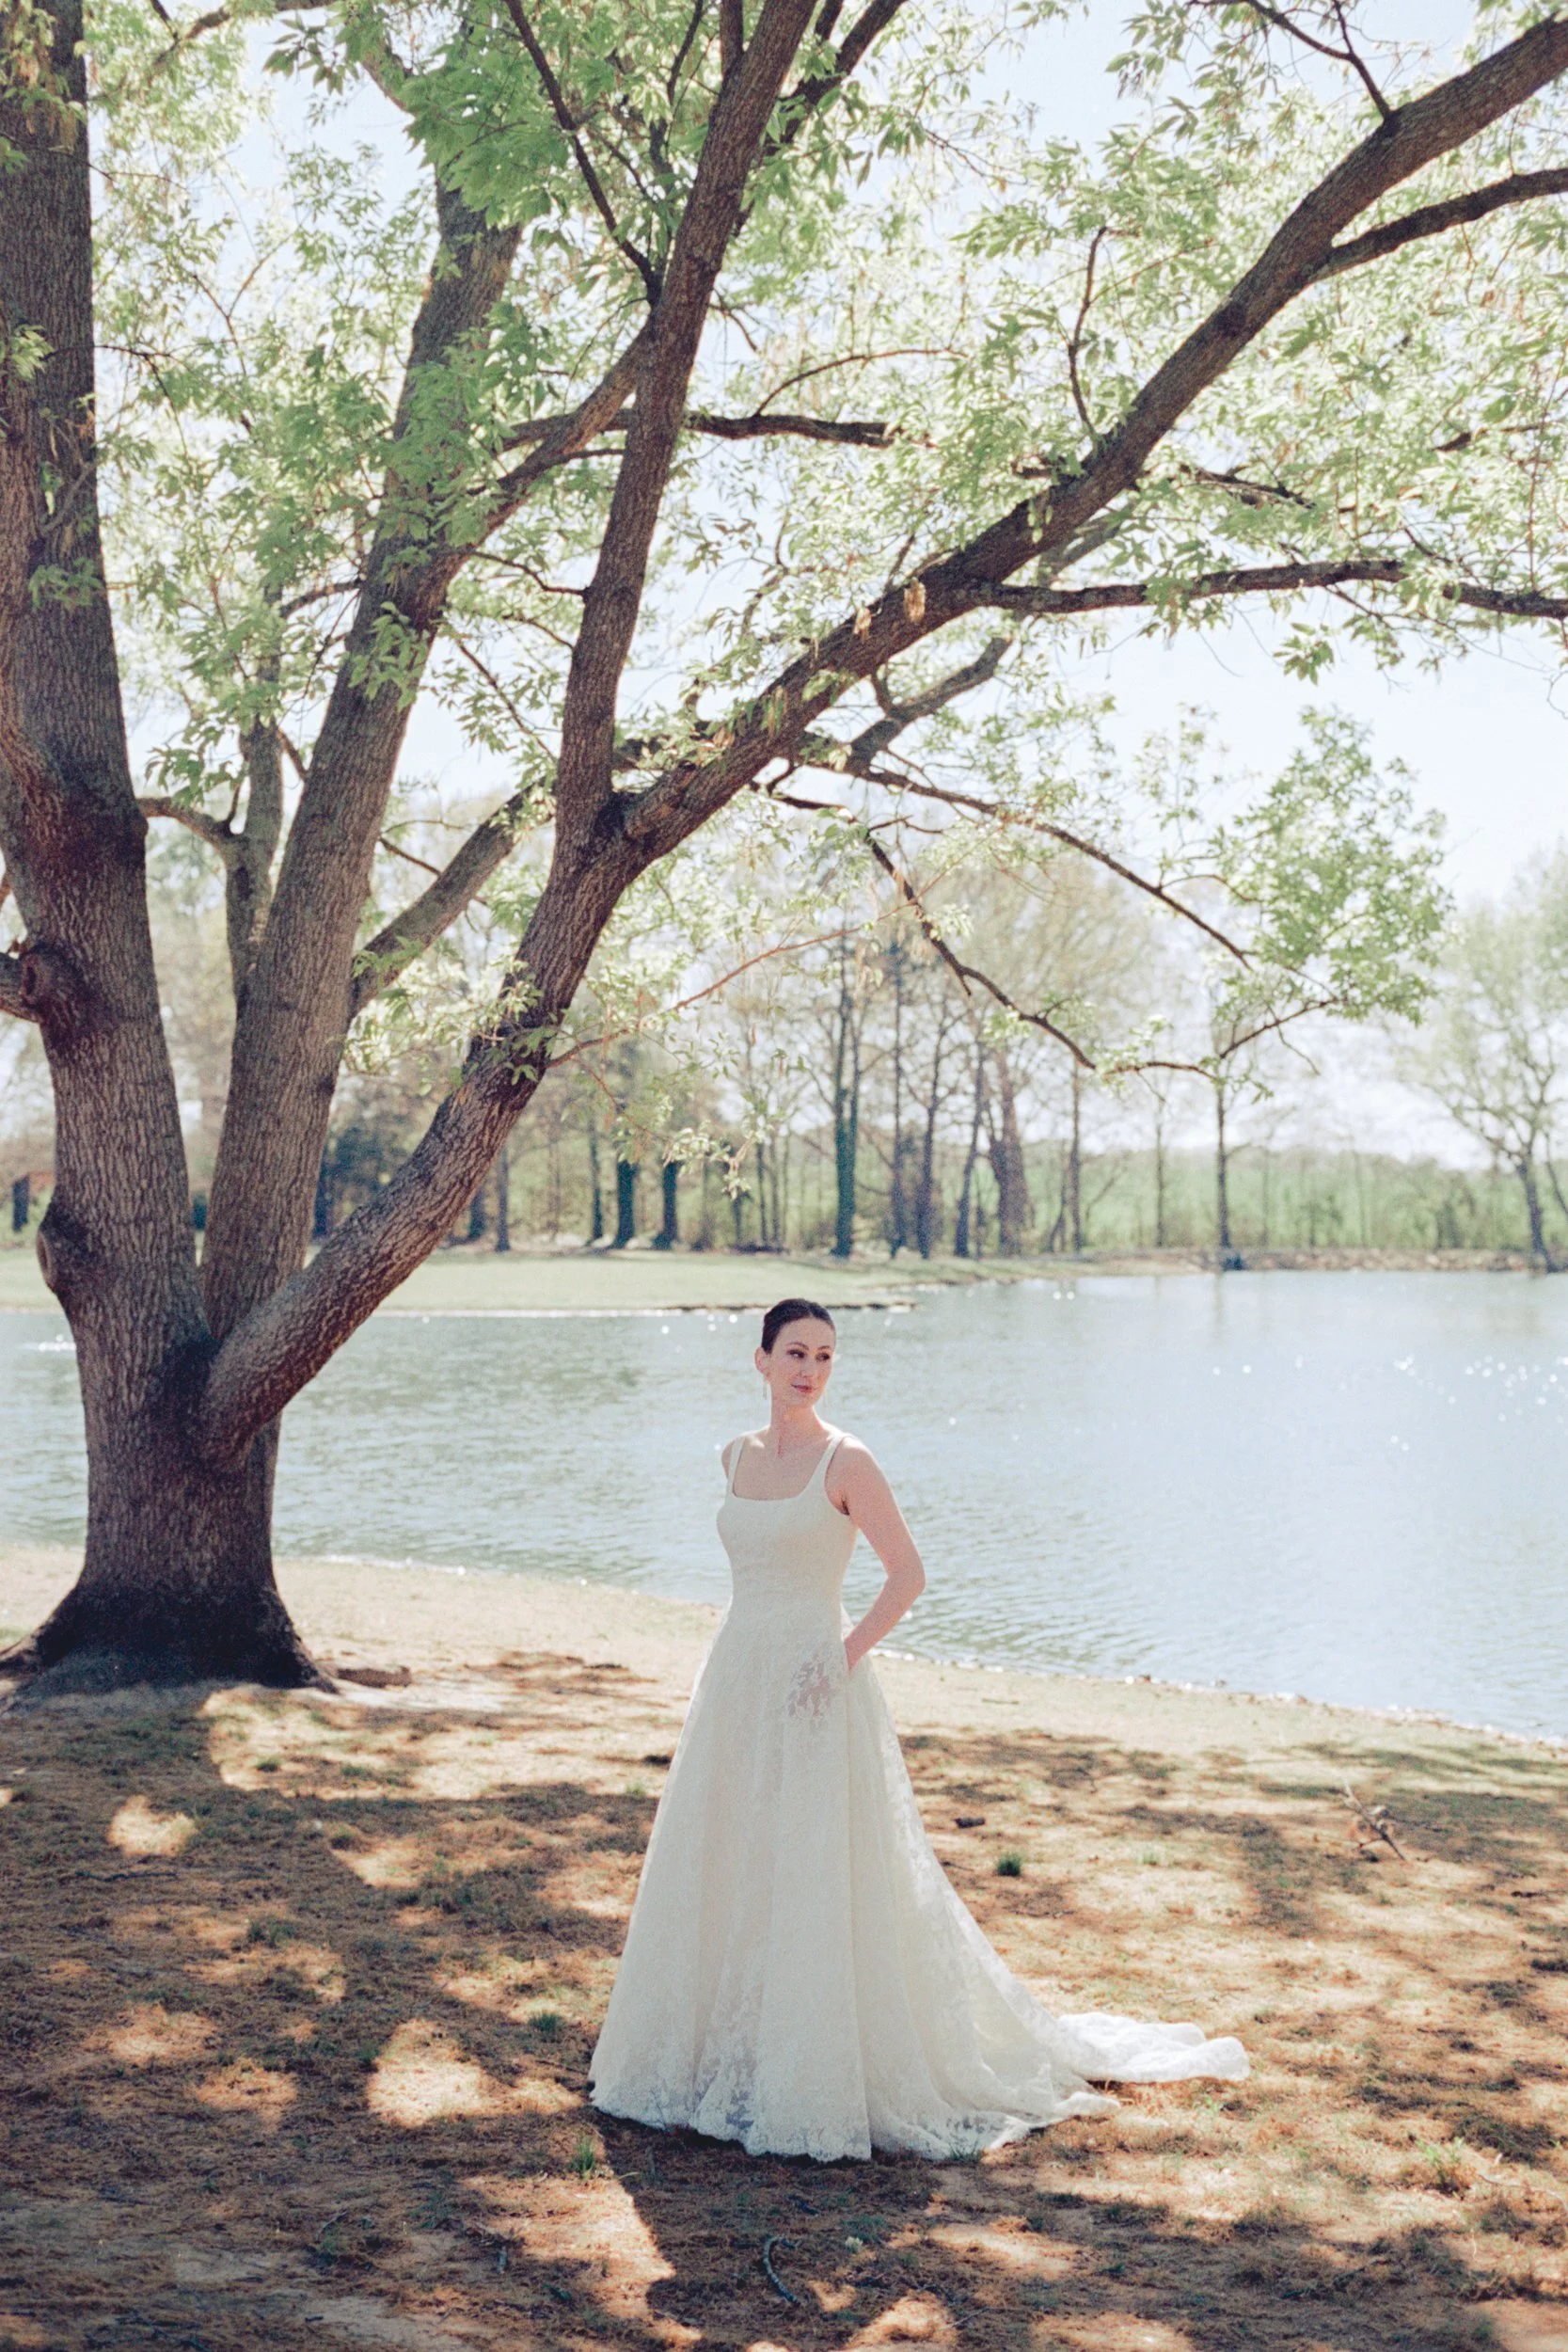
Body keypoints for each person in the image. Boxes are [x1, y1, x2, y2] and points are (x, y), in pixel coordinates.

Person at [588, 1297, 1246, 2161]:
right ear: (761, 1360)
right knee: (726, 1848)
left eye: (824, 1356)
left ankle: (811, 2060)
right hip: (736, 1675)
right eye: (795, 1353)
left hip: (817, 1682)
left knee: (811, 1860)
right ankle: (714, 2052)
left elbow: (906, 1574)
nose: (809, 1370)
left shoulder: (847, 1460)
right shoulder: (733, 1456)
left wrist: (840, 1657)